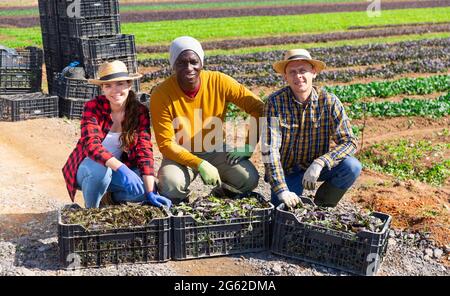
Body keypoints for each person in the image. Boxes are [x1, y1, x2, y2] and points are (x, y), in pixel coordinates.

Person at [150, 36, 264, 203]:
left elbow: (258, 107)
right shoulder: (161, 94)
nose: (189, 68)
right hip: (181, 152)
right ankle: (183, 210)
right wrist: (200, 163)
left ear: (201, 63)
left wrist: (249, 145)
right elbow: (166, 144)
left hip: (215, 148)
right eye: (181, 62)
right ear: (173, 65)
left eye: (193, 62)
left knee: (248, 179)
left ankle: (220, 195)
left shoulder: (219, 81)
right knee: (171, 184)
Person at [62, 60, 171, 209]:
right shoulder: (93, 107)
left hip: (117, 170)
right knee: (101, 171)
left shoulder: (139, 111)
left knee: (144, 189)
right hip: (89, 169)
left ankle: (110, 198)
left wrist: (151, 192)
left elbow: (144, 151)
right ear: (102, 88)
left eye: (120, 84)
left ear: (129, 84)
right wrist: (121, 168)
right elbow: (91, 146)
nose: (114, 90)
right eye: (108, 85)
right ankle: (91, 211)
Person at [262, 49, 362, 208]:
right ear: (285, 77)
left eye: (303, 70)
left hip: (317, 167)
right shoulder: (274, 103)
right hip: (288, 171)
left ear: (313, 73)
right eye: (292, 72)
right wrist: (282, 191)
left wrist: (321, 162)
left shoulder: (329, 102)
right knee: (282, 211)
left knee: (352, 167)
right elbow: (270, 149)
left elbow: (350, 141)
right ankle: (286, 195)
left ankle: (323, 205)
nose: (298, 76)